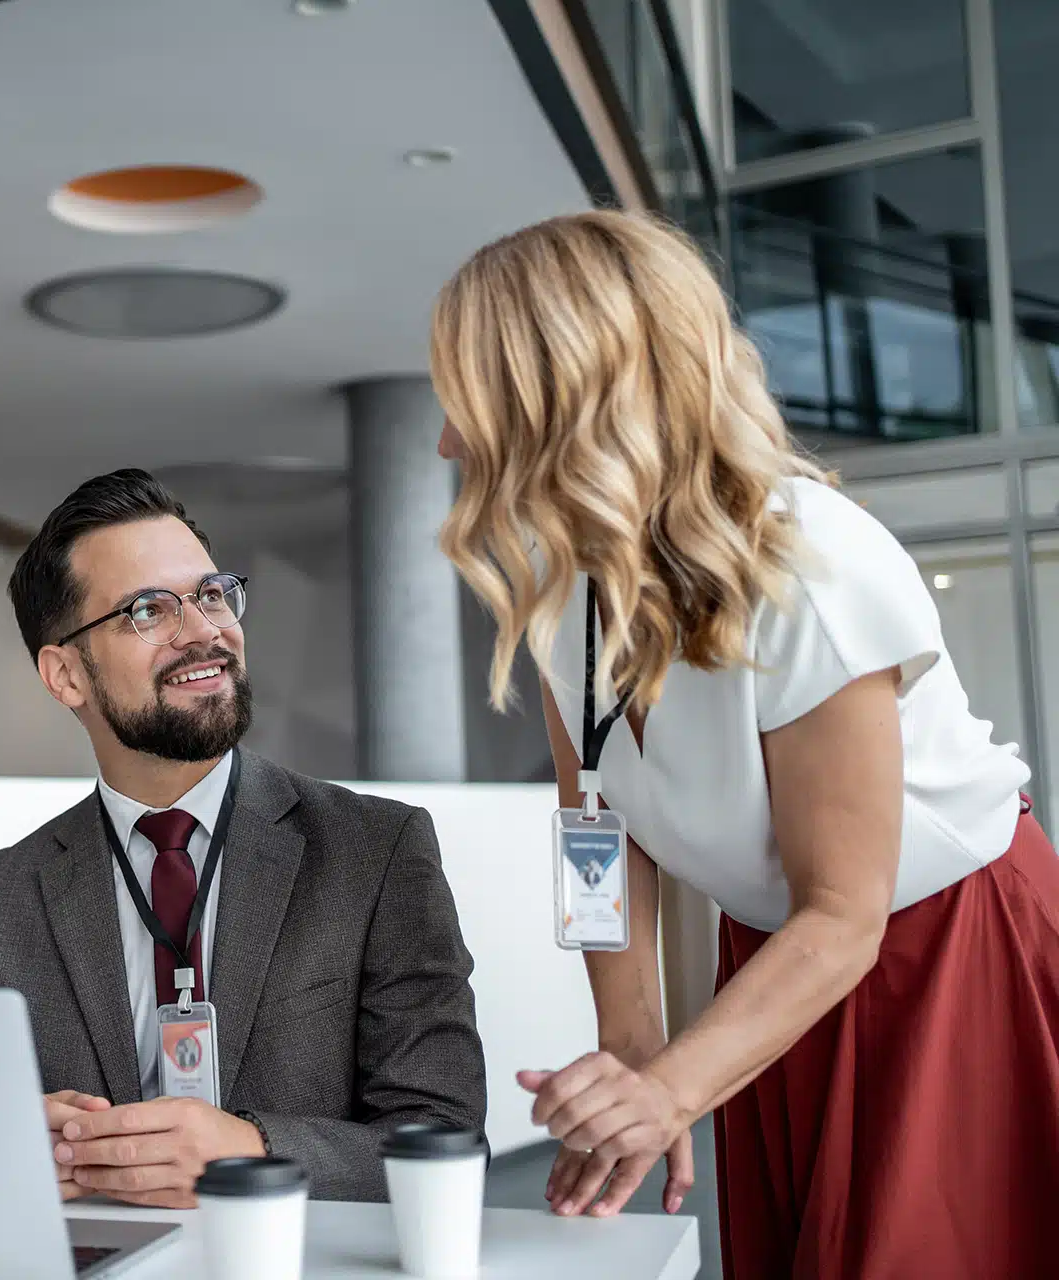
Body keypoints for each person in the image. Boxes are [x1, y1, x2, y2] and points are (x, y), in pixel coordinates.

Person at [430, 210, 1059, 1278]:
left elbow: (846, 913)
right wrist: (634, 1055)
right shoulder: (568, 597)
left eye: (465, 399)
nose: (449, 442)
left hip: (940, 957)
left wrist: (673, 1086)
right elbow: (596, 838)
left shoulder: (811, 566)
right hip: (777, 966)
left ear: (558, 398)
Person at [0, 469, 485, 1205]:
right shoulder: (4, 896)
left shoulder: (377, 851)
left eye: (210, 595)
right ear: (66, 675)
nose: (205, 631)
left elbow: (446, 1138)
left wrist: (252, 1152)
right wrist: (15, 1147)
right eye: (149, 610)